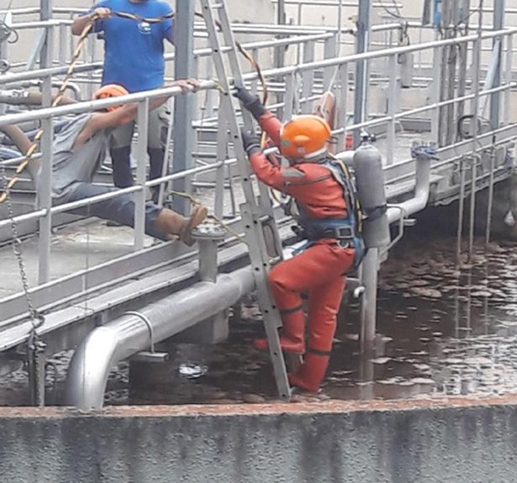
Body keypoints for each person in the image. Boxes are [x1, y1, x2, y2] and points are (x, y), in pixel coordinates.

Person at [234, 86, 364, 393]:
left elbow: (270, 176)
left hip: (332, 248)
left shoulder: (308, 175)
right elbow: (287, 139)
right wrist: (257, 108)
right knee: (322, 318)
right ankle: (309, 380)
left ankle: (292, 337)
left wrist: (252, 149)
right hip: (343, 247)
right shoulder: (325, 162)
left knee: (280, 280)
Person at [50, 80, 206, 245]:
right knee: (119, 200)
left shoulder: (96, 127)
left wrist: (168, 92)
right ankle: (180, 225)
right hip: (60, 189)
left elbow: (131, 110)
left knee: (120, 208)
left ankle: (170, 235)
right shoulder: (90, 120)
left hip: (61, 188)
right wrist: (168, 90)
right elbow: (129, 111)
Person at [71, 0, 174, 200]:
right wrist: (93, 17)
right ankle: (123, 201)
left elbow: (178, 39)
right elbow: (76, 29)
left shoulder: (160, 10)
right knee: (118, 148)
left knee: (156, 146)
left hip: (152, 93)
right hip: (116, 93)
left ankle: (160, 198)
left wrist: (178, 21)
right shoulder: (110, 7)